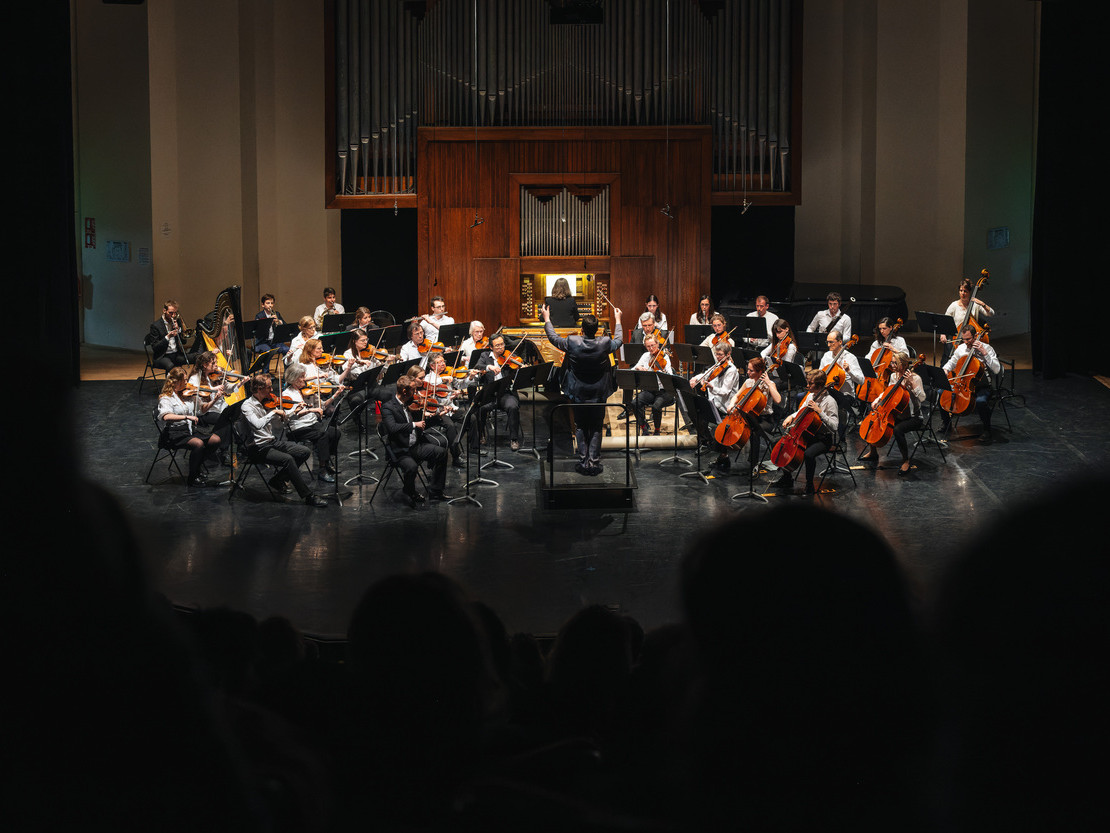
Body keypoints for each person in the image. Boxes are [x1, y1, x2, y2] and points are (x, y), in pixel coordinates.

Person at [541, 303, 624, 475]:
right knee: (596, 426)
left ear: (582, 330)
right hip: (598, 392)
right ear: (597, 330)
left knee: (580, 426)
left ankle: (583, 461)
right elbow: (619, 340)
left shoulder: (572, 342)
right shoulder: (604, 343)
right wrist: (618, 320)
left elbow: (553, 338)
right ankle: (593, 462)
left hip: (578, 392)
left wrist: (547, 319)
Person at [238, 373, 328, 507]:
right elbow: (257, 425)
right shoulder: (247, 406)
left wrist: (294, 412)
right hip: (257, 448)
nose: (272, 390)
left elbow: (282, 423)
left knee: (304, 452)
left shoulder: (268, 402)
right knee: (288, 459)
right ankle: (308, 496)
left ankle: (277, 480)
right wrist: (273, 412)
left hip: (271, 442)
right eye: (269, 387)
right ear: (259, 389)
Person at [380, 376, 450, 505]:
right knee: (411, 467)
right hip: (400, 450)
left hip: (415, 446)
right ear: (404, 391)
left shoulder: (410, 404)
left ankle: (436, 491)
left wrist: (438, 416)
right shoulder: (388, 407)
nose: (415, 392)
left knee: (442, 453)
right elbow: (392, 428)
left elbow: (422, 425)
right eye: (413, 389)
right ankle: (409, 491)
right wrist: (413, 425)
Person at [709, 357, 782, 476]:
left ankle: (754, 464)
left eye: (751, 371)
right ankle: (723, 456)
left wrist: (769, 383)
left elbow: (778, 400)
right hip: (746, 416)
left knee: (754, 432)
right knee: (726, 426)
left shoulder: (770, 384)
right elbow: (736, 396)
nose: (747, 372)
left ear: (760, 371)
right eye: (748, 369)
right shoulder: (748, 382)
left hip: (764, 419)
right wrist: (731, 404)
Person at [773, 369, 839, 495]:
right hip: (808, 435)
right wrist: (791, 416)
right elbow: (801, 411)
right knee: (778, 443)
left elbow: (834, 427)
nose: (807, 386)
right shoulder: (810, 396)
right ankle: (787, 478)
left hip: (823, 439)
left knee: (808, 454)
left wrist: (820, 412)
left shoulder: (830, 402)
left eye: (810, 383)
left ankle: (809, 485)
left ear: (819, 385)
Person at [859, 351, 925, 474]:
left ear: (904, 364)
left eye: (895, 363)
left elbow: (922, 398)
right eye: (892, 362)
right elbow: (888, 392)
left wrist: (912, 384)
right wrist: (877, 400)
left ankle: (905, 461)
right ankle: (873, 452)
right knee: (874, 421)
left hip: (913, 417)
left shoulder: (915, 378)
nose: (892, 365)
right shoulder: (894, 376)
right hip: (898, 414)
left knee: (897, 430)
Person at [282, 362, 345, 483]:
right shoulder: (287, 395)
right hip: (298, 427)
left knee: (335, 433)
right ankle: (322, 470)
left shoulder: (309, 390)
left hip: (312, 424)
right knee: (323, 435)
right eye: (301, 377)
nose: (304, 379)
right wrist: (311, 410)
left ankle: (326, 461)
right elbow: (291, 416)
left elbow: (323, 405)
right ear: (293, 379)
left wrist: (336, 394)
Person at [941, 325, 1001, 442]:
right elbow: (951, 362)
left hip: (982, 385)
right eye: (964, 339)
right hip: (963, 384)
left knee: (981, 401)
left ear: (975, 336)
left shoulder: (987, 348)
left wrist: (984, 353)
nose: (966, 342)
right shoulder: (961, 348)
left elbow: (997, 369)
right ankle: (946, 424)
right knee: (941, 392)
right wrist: (945, 370)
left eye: (968, 339)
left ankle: (987, 429)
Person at [154, 367, 210, 486]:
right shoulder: (166, 398)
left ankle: (197, 466)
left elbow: (201, 410)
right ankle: (192, 477)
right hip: (173, 433)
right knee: (198, 444)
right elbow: (166, 416)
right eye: (184, 380)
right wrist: (186, 417)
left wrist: (214, 399)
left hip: (188, 430)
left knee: (215, 440)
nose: (187, 382)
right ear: (176, 381)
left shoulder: (186, 394)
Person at [688, 341, 740, 458]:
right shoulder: (717, 365)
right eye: (716, 354)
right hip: (713, 402)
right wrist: (695, 379)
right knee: (693, 412)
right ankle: (707, 440)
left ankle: (710, 443)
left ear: (728, 354)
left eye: (720, 354)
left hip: (724, 406)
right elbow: (705, 374)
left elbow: (725, 392)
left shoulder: (731, 370)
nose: (717, 357)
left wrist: (712, 387)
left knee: (701, 415)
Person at [474, 334, 524, 451]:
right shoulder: (485, 356)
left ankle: (514, 439)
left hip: (505, 393)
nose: (501, 347)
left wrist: (522, 369)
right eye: (497, 345)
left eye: (502, 344)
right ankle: (481, 434)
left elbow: (519, 369)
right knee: (480, 408)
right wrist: (490, 367)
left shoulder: (510, 356)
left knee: (513, 406)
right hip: (489, 393)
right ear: (491, 347)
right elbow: (478, 366)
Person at [187, 350, 242, 455]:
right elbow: (198, 395)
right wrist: (213, 389)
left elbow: (229, 389)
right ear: (204, 365)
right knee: (226, 420)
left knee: (239, 415)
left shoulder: (213, 376)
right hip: (204, 412)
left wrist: (240, 384)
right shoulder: (195, 379)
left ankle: (241, 445)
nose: (216, 365)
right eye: (213, 363)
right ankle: (223, 449)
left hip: (218, 408)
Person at [817, 330, 864, 441]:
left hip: (846, 396)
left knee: (838, 405)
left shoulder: (850, 358)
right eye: (827, 342)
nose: (829, 345)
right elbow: (820, 374)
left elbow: (861, 380)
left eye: (831, 342)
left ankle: (841, 441)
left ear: (840, 342)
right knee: (801, 397)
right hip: (828, 393)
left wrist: (849, 371)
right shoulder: (826, 356)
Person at [630, 337, 674, 436]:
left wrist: (664, 373)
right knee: (634, 403)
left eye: (653, 345)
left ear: (657, 344)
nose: (651, 348)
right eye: (648, 346)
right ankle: (644, 427)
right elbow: (634, 368)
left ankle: (657, 430)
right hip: (650, 390)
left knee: (656, 407)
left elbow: (670, 375)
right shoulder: (645, 356)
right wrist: (638, 367)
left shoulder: (664, 357)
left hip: (664, 391)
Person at [940, 277, 994, 344]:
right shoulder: (954, 305)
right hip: (958, 337)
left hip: (972, 339)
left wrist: (983, 304)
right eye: (961, 290)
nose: (962, 293)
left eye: (965, 291)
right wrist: (943, 334)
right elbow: (945, 321)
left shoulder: (975, 305)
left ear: (969, 292)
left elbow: (991, 313)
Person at [147, 300, 190, 371]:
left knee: (196, 357)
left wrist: (179, 331)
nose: (173, 315)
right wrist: (168, 337)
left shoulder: (177, 322)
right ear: (164, 311)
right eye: (170, 313)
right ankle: (171, 378)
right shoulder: (155, 326)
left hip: (176, 354)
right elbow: (155, 347)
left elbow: (184, 342)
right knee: (171, 366)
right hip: (162, 356)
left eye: (175, 313)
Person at [253, 294, 287, 358]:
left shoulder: (277, 314)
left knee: (286, 350)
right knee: (268, 352)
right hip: (262, 342)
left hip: (274, 342)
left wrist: (279, 321)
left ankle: (287, 365)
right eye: (268, 303)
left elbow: (285, 326)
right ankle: (265, 365)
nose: (270, 305)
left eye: (272, 303)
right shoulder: (259, 316)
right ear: (263, 305)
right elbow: (259, 332)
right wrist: (269, 322)